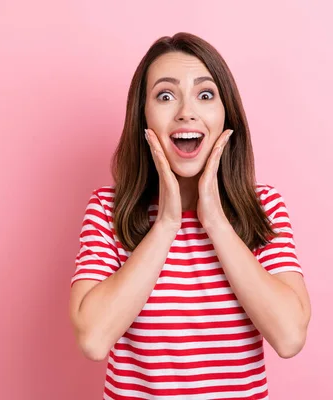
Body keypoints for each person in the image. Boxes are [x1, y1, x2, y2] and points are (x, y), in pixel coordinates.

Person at [69, 32, 311, 399]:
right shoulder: (108, 210)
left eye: (205, 94)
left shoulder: (263, 208)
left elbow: (290, 336)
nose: (186, 111)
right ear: (143, 117)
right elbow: (94, 339)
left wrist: (214, 220)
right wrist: (166, 224)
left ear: (226, 112)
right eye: (165, 96)